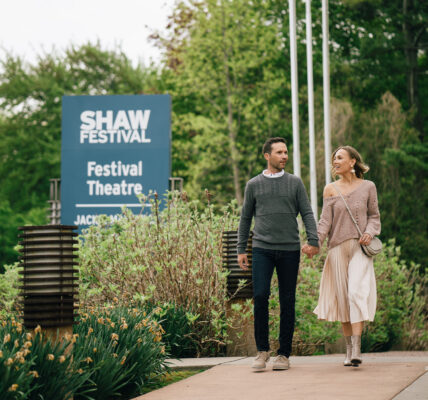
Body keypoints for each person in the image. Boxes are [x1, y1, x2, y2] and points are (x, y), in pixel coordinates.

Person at [237, 137, 319, 371]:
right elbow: (245, 217)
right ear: (267, 156)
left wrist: (313, 240)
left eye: (286, 152)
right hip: (262, 248)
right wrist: (241, 249)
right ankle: (262, 351)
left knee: (287, 300)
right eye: (279, 152)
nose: (284, 156)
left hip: (289, 249)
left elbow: (307, 213)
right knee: (261, 296)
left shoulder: (295, 183)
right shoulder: (253, 184)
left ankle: (284, 354)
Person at [313, 145, 381, 367]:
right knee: (343, 299)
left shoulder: (368, 187)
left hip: (360, 248)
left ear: (353, 162)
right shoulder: (330, 189)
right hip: (336, 250)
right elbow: (325, 222)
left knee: (355, 293)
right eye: (334, 158)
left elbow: (374, 216)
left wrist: (370, 233)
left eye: (340, 157)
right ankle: (349, 350)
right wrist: (315, 243)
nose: (335, 161)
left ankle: (358, 347)